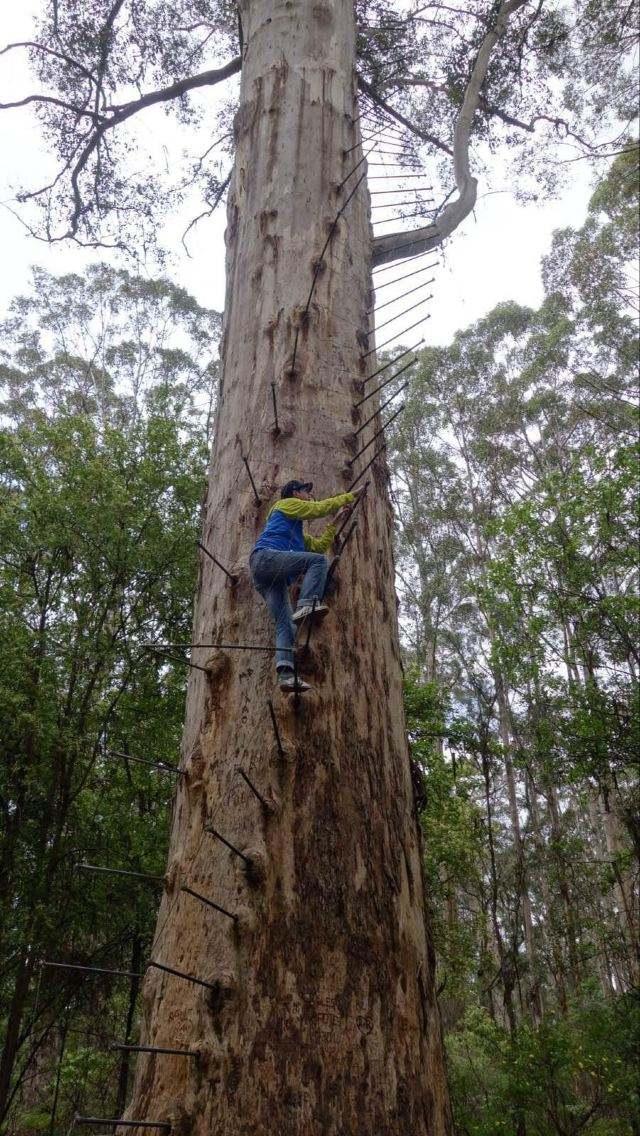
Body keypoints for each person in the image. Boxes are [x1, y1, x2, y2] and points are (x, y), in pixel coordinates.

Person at [250, 479, 365, 693]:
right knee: (318, 562)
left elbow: (320, 546)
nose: (309, 495)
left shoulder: (297, 534)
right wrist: (350, 496)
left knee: (286, 624)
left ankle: (286, 676)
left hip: (267, 577)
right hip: (266, 558)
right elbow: (318, 509)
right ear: (295, 493)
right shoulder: (285, 504)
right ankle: (307, 603)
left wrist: (335, 522)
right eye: (306, 491)